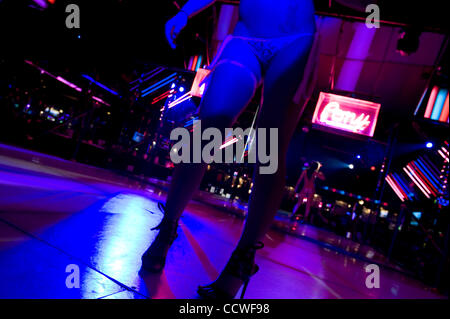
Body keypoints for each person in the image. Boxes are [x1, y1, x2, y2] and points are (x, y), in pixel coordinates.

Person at [140, 0, 367, 299]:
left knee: (268, 147)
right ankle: (168, 227)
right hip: (245, 38)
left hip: (296, 41)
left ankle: (242, 260)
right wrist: (185, 12)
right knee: (208, 131)